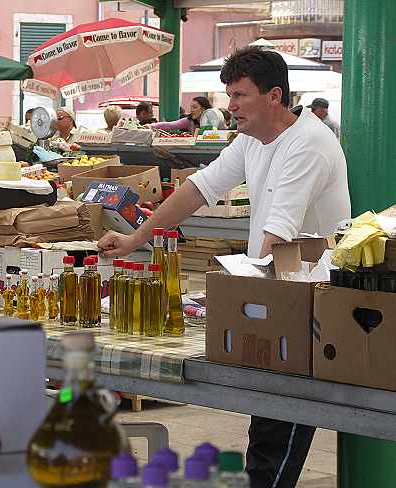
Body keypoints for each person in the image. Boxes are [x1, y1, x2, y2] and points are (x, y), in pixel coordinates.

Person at [97, 46, 350, 488]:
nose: (230, 106)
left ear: (274, 96)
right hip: (270, 302)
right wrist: (137, 237)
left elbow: (277, 239)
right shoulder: (252, 138)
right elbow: (200, 187)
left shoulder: (307, 143)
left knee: (276, 438)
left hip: (305, 309)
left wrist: (236, 299)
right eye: (228, 95)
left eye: (239, 95)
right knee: (264, 438)